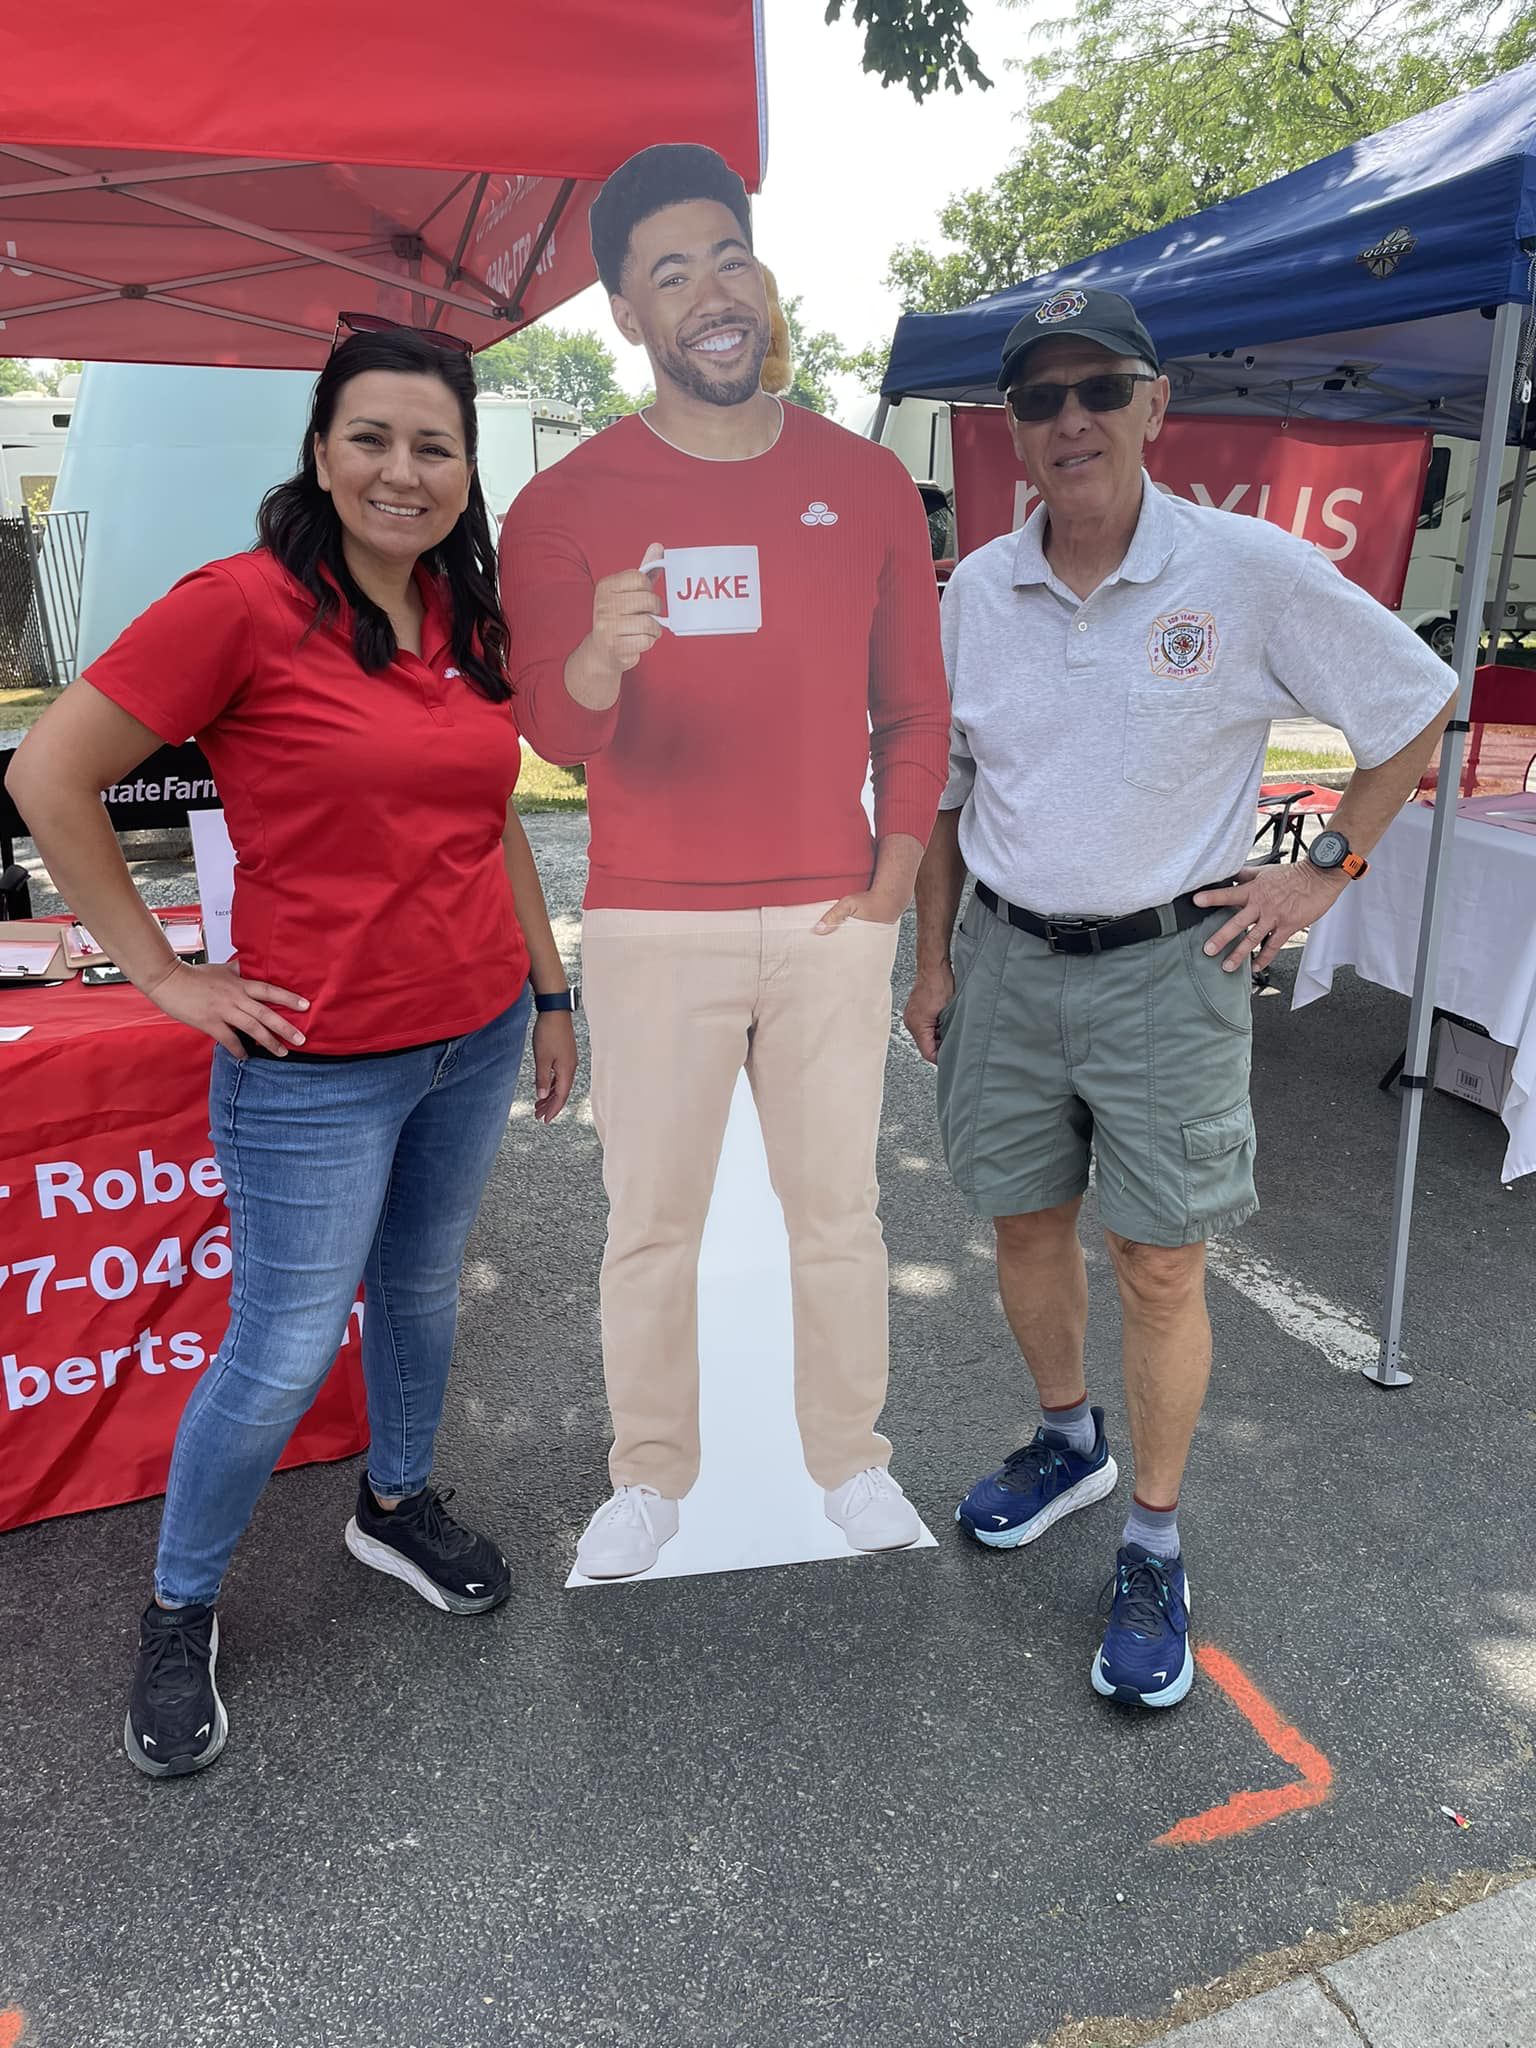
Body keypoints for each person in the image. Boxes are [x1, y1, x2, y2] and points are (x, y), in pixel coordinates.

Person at [5, 322, 578, 1777]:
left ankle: (392, 1503)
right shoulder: (241, 607)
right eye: (372, 438)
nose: (403, 468)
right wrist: (164, 975)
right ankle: (179, 1604)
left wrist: (552, 992)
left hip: (471, 1032)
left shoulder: (468, 614)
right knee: (272, 1352)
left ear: (467, 469)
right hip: (315, 1065)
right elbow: (47, 774)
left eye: (433, 444)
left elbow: (491, 815)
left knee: (423, 1295)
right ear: (321, 453)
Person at [902, 287, 1455, 1709]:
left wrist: (1320, 871)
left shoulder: (1247, 570)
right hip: (1011, 964)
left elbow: (1410, 710)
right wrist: (937, 956)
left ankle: (1152, 1537)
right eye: (1039, 398)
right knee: (1023, 1222)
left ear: (1157, 408)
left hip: (1173, 968)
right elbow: (946, 799)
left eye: (1100, 390)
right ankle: (1066, 1440)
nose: (1070, 418)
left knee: (1158, 1262)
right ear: (1011, 430)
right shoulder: (972, 591)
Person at [500, 144, 951, 1578]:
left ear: (762, 280)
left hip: (831, 914)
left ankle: (853, 1467)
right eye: (670, 272)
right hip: (648, 922)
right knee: (652, 1227)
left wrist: (891, 877)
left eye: (728, 258)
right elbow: (554, 733)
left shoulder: (867, 481)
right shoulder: (563, 504)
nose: (711, 294)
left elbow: (917, 705)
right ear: (627, 315)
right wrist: (592, 655)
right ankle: (651, 1479)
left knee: (841, 1214)